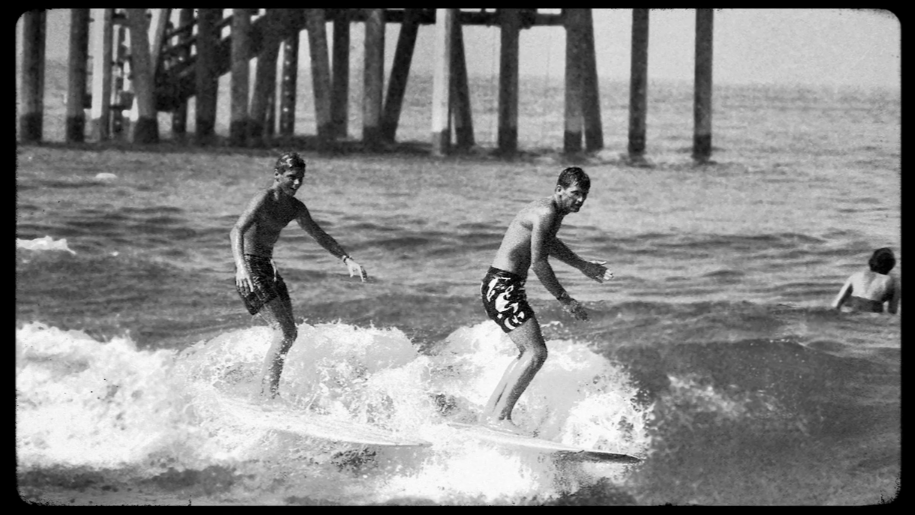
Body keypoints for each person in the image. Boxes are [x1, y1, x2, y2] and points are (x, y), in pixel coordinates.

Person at [479, 167, 614, 434]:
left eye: (584, 195)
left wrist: (583, 265)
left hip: (502, 286)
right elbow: (539, 263)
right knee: (536, 353)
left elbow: (549, 243)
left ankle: (490, 415)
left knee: (527, 353)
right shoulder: (546, 212)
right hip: (503, 287)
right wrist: (566, 300)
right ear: (559, 190)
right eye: (575, 193)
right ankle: (500, 417)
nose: (580, 200)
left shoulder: (551, 212)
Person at [230, 152, 368, 400]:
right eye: (291, 177)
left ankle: (265, 390)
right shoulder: (264, 198)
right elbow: (237, 230)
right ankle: (264, 394)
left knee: (290, 333)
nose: (297, 183)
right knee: (284, 332)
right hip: (250, 267)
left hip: (267, 267)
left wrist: (346, 259)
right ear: (277, 175)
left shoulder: (295, 207)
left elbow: (318, 234)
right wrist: (241, 267)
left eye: (301, 178)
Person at [832, 247, 900, 314]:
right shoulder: (893, 282)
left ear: (871, 261)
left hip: (850, 308)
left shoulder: (856, 276)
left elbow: (836, 304)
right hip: (871, 312)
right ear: (892, 265)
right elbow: (892, 311)